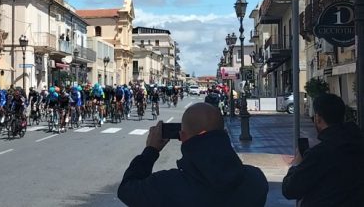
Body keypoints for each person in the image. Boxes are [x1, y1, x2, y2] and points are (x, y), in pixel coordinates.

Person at [117, 103, 268, 206]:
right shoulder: (256, 180)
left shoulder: (166, 186)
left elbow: (126, 189)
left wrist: (151, 150)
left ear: (182, 137)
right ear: (224, 133)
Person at [281, 94, 364, 206]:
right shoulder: (357, 144)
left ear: (318, 118)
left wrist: (296, 164)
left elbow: (290, 190)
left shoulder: (319, 154)